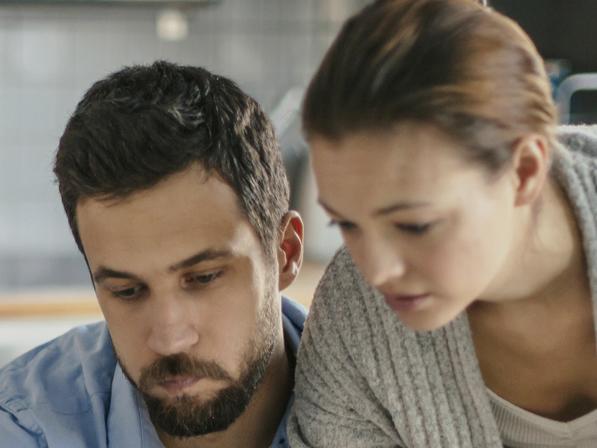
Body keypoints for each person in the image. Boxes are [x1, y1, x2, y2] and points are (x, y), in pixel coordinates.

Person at [289, 0, 597, 447]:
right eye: (347, 225)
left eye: (415, 225)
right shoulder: (355, 321)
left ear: (525, 170)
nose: (377, 272)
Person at [0, 61, 306, 448]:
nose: (169, 339)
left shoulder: (385, 404)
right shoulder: (25, 428)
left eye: (204, 277)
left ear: (286, 252)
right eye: (127, 291)